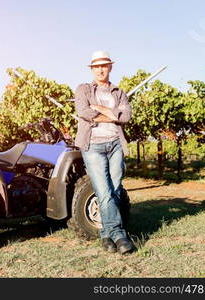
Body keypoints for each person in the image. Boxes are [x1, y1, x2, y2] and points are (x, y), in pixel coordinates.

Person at [74, 50, 134, 255]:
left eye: (104, 65)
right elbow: (83, 112)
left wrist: (100, 110)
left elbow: (126, 116)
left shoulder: (119, 92)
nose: (100, 69)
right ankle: (119, 234)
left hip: (115, 144)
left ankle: (106, 235)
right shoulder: (83, 89)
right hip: (93, 146)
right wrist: (112, 114)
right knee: (104, 191)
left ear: (110, 67)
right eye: (96, 66)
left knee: (115, 190)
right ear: (92, 69)